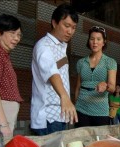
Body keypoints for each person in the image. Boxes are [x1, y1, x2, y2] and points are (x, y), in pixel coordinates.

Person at [30, 3, 78, 135]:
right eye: (66, 25)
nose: (70, 31)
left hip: (59, 115)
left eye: (73, 28)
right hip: (48, 118)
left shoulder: (60, 46)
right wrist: (65, 96)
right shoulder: (44, 46)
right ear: (54, 23)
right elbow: (52, 72)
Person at [74, 26, 117, 127]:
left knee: (100, 141)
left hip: (101, 110)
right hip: (81, 109)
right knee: (81, 141)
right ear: (88, 41)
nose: (95, 42)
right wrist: (75, 106)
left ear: (104, 42)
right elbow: (78, 86)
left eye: (98, 39)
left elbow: (112, 87)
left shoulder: (110, 62)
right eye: (92, 39)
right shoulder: (81, 62)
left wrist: (105, 85)